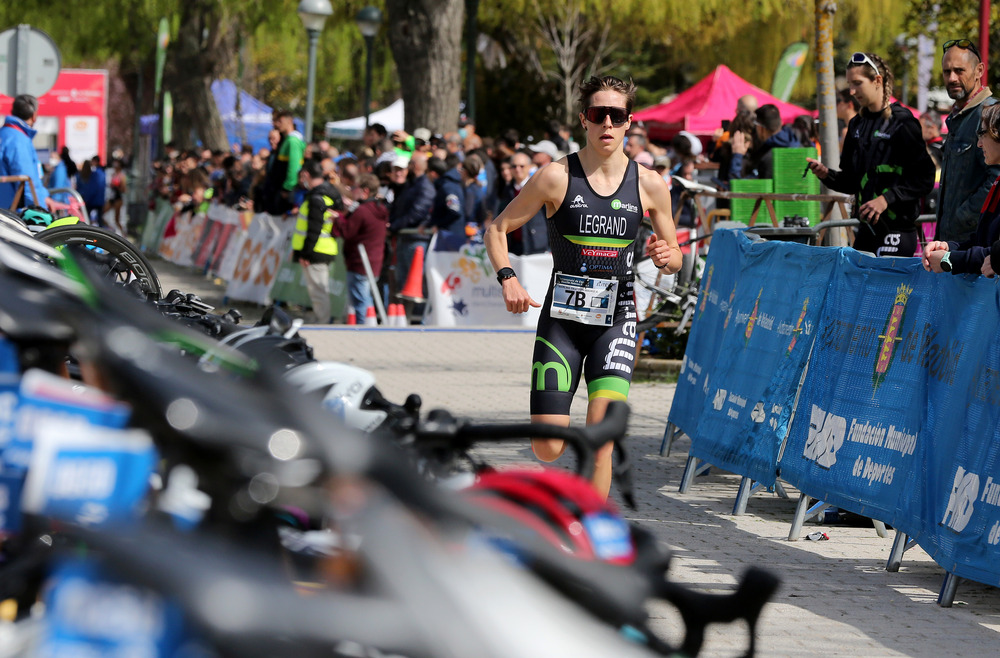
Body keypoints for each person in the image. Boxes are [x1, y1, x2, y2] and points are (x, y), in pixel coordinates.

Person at [485, 75, 682, 499]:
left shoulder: (648, 184)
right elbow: (497, 229)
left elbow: (676, 252)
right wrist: (508, 278)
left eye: (616, 116)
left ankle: (590, 532)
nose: (606, 124)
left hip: (618, 320)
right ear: (584, 120)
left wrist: (669, 258)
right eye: (598, 115)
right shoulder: (555, 177)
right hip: (563, 323)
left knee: (601, 440)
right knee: (548, 445)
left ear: (630, 122)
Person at [806, 52, 935, 256]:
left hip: (897, 231)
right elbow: (851, 182)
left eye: (857, 83)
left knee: (886, 287)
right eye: (849, 84)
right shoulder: (857, 124)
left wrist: (886, 199)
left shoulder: (902, 122)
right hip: (867, 230)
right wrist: (826, 175)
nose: (852, 90)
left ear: (877, 81)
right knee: (856, 285)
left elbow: (925, 178)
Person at [924, 104, 1000, 276]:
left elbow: (992, 256)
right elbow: (983, 243)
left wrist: (948, 260)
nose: (979, 144)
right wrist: (949, 247)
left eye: (982, 134)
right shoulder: (997, 183)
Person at [935, 39, 999, 243]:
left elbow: (997, 177)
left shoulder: (991, 115)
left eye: (959, 70)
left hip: (976, 246)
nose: (952, 78)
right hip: (952, 244)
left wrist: (963, 218)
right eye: (947, 71)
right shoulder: (958, 116)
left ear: (979, 70)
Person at [292, 160, 342, 324]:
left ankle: (323, 323)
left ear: (306, 174)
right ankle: (322, 319)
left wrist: (306, 253)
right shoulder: (327, 194)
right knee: (319, 290)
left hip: (316, 250)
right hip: (323, 248)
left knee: (318, 291)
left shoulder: (316, 197)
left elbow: (313, 229)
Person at [0, 95, 66, 212]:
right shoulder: (18, 139)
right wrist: (40, 209)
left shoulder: (5, 134)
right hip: (10, 213)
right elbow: (27, 182)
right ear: (34, 116)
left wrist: (44, 196)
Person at [338, 173, 389, 320]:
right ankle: (369, 327)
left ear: (365, 191)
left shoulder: (362, 211)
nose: (353, 190)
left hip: (360, 262)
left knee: (361, 301)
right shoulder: (379, 209)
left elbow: (347, 232)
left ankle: (366, 331)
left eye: (355, 188)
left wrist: (338, 218)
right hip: (374, 261)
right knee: (366, 298)